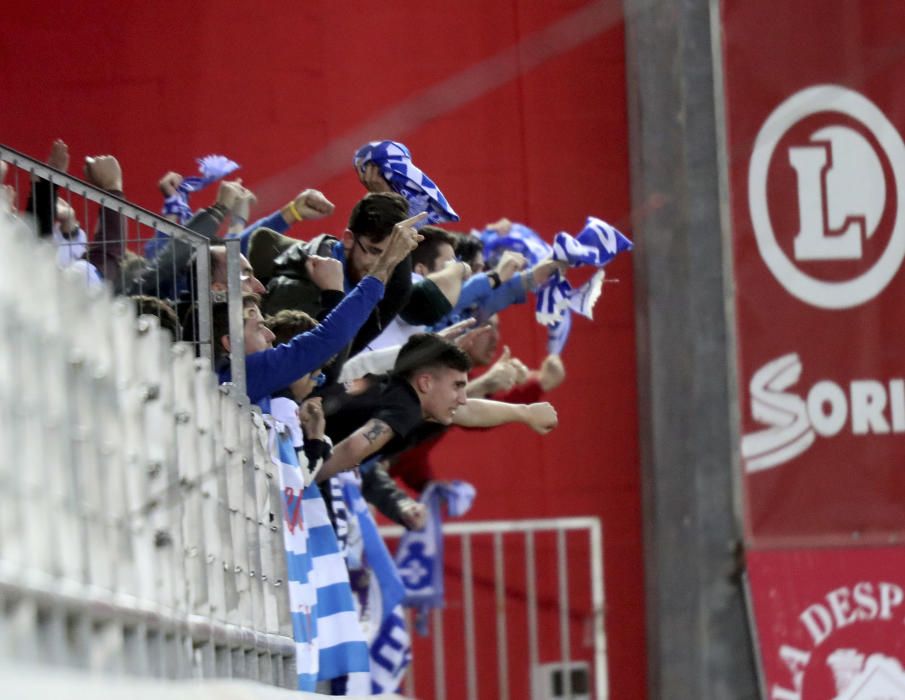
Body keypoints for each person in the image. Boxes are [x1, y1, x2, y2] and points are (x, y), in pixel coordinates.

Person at [212, 213, 423, 412]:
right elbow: (328, 339)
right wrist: (336, 292)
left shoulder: (247, 380)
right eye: (259, 328)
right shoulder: (241, 375)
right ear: (229, 343)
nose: (272, 335)